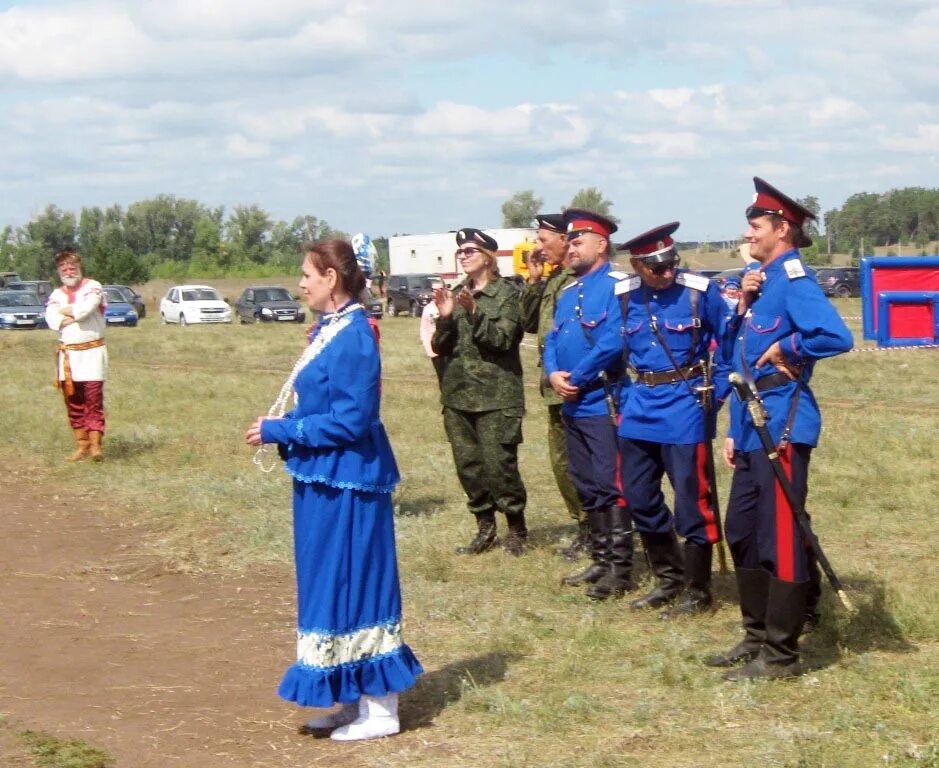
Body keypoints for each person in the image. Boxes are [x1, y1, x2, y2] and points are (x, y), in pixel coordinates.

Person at [245, 239, 422, 740]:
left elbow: (353, 418)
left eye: (307, 274)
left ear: (331, 278)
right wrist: (283, 425)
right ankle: (349, 698)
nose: (300, 283)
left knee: (357, 579)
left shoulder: (354, 336)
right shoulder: (331, 330)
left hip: (351, 477)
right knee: (328, 580)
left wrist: (283, 431)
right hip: (322, 475)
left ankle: (382, 709)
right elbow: (320, 401)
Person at [707, 177, 853, 680]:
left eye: (755, 226)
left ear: (782, 229)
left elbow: (836, 335)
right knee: (741, 531)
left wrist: (789, 351)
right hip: (750, 425)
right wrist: (730, 427)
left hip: (784, 423)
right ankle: (756, 635)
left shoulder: (793, 281)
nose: (747, 233)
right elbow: (737, 363)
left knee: (781, 539)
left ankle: (782, 655)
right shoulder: (762, 282)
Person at [614, 223, 729, 616]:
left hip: (685, 408)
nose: (667, 274)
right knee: (638, 496)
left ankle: (698, 592)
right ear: (637, 265)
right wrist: (623, 396)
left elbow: (729, 346)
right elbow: (614, 350)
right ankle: (669, 577)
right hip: (640, 407)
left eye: (671, 265)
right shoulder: (626, 296)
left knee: (691, 504)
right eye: (656, 268)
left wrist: (714, 394)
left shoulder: (700, 292)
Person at [543, 209, 633, 600]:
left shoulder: (618, 286)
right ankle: (599, 558)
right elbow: (551, 339)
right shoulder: (567, 293)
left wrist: (575, 377)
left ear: (602, 243)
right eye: (570, 241)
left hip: (602, 399)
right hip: (572, 403)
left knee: (610, 483)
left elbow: (615, 341)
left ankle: (619, 567)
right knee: (586, 482)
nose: (571, 248)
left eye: (578, 241)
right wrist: (552, 374)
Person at [431, 228, 528, 556]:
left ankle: (516, 527)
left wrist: (474, 313)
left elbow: (502, 340)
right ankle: (485, 527)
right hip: (458, 395)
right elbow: (439, 348)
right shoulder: (457, 293)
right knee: (469, 467)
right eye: (460, 251)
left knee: (500, 466)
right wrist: (445, 319)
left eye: (470, 250)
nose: (463, 255)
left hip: (497, 396)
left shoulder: (507, 294)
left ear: (488, 257)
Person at [518, 214, 586, 559]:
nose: (538, 247)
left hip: (575, 385)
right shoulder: (553, 279)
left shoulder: (577, 279)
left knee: (578, 462)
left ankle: (593, 528)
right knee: (561, 462)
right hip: (553, 387)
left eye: (544, 240)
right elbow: (529, 324)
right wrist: (533, 281)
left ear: (564, 239)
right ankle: (585, 525)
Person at [45, 250, 108, 462]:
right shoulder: (56, 294)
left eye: (72, 267)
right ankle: (82, 445)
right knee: (73, 401)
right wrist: (70, 313)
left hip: (92, 352)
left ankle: (96, 446)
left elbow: (86, 309)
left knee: (93, 399)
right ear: (59, 271)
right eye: (64, 267)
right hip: (69, 356)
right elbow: (51, 320)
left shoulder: (93, 286)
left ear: (79, 268)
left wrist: (66, 312)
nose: (68, 271)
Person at [419, 280, 446, 384]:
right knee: (441, 377)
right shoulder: (428, 309)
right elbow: (424, 329)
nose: (436, 292)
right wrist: (428, 348)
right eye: (434, 290)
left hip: (448, 346)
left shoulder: (450, 305)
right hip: (434, 348)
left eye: (439, 289)